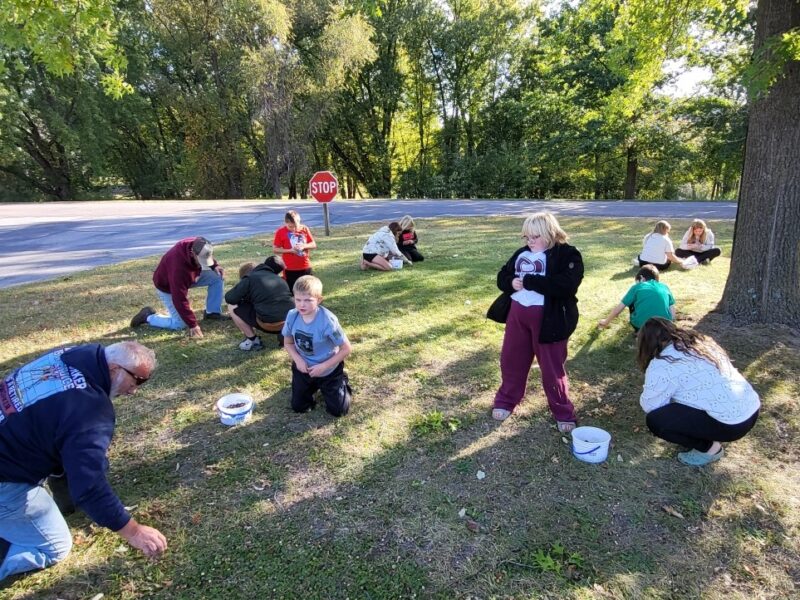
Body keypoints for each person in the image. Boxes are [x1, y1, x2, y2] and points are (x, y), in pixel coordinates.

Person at [0, 342, 167, 581]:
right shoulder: (90, 409)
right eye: (137, 381)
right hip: (6, 476)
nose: (134, 391)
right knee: (55, 546)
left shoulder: (73, 354)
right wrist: (134, 532)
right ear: (113, 369)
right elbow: (89, 485)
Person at [490, 212, 584, 432]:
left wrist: (531, 281)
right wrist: (510, 282)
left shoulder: (567, 254)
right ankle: (507, 399)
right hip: (517, 315)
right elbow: (502, 275)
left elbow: (566, 285)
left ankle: (563, 410)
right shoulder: (522, 253)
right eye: (526, 237)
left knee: (552, 367)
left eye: (534, 237)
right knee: (512, 359)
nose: (529, 241)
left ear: (549, 233)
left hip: (549, 321)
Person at [636, 318, 760, 466]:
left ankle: (711, 449)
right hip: (752, 410)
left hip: (732, 425)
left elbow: (651, 405)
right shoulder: (701, 344)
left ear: (646, 344)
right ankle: (706, 433)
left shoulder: (661, 364)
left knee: (657, 421)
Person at [282, 276, 352, 417]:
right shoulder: (292, 315)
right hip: (304, 368)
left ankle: (341, 380)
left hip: (328, 370)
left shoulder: (328, 321)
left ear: (319, 300)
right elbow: (288, 342)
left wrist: (324, 366)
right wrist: (298, 360)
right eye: (298, 300)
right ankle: (311, 385)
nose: (302, 305)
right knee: (299, 407)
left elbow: (346, 348)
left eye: (308, 300)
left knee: (339, 411)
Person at [130, 236, 227, 339]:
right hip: (167, 285)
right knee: (179, 324)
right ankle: (147, 316)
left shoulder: (199, 243)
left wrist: (214, 266)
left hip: (190, 276)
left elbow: (207, 255)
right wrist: (193, 324)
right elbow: (179, 299)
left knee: (217, 277)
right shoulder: (178, 269)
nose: (202, 264)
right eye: (201, 261)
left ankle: (212, 312)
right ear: (192, 253)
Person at [225, 256, 295, 351]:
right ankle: (284, 335)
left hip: (268, 325)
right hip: (290, 322)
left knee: (232, 306)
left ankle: (252, 340)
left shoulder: (250, 278)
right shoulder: (280, 280)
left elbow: (230, 298)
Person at [597, 265, 675, 332]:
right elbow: (672, 309)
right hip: (665, 326)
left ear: (641, 278)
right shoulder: (664, 287)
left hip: (642, 326)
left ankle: (640, 331)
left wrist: (606, 322)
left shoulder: (637, 287)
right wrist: (671, 324)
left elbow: (618, 309)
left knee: (631, 301)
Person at [272, 210, 317, 293]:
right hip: (290, 268)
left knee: (309, 290)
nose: (294, 229)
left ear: (299, 221)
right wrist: (290, 250)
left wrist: (304, 246)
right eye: (290, 227)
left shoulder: (304, 229)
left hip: (305, 266)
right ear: (286, 222)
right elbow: (275, 249)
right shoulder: (280, 232)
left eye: (296, 226)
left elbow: (313, 244)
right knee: (293, 291)